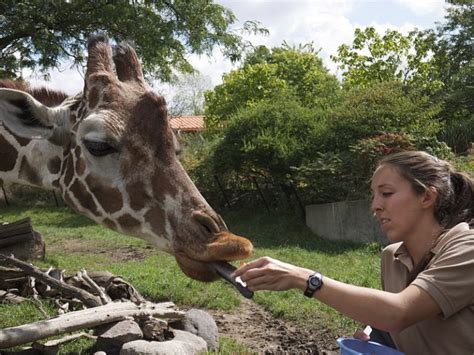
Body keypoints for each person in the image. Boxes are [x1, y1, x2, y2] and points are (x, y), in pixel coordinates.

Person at [233, 150, 474, 355]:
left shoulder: (467, 248)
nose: (375, 206)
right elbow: (405, 322)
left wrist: (303, 278)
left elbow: (400, 312)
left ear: (428, 196)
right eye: (373, 195)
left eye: (386, 193)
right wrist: (378, 334)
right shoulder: (392, 257)